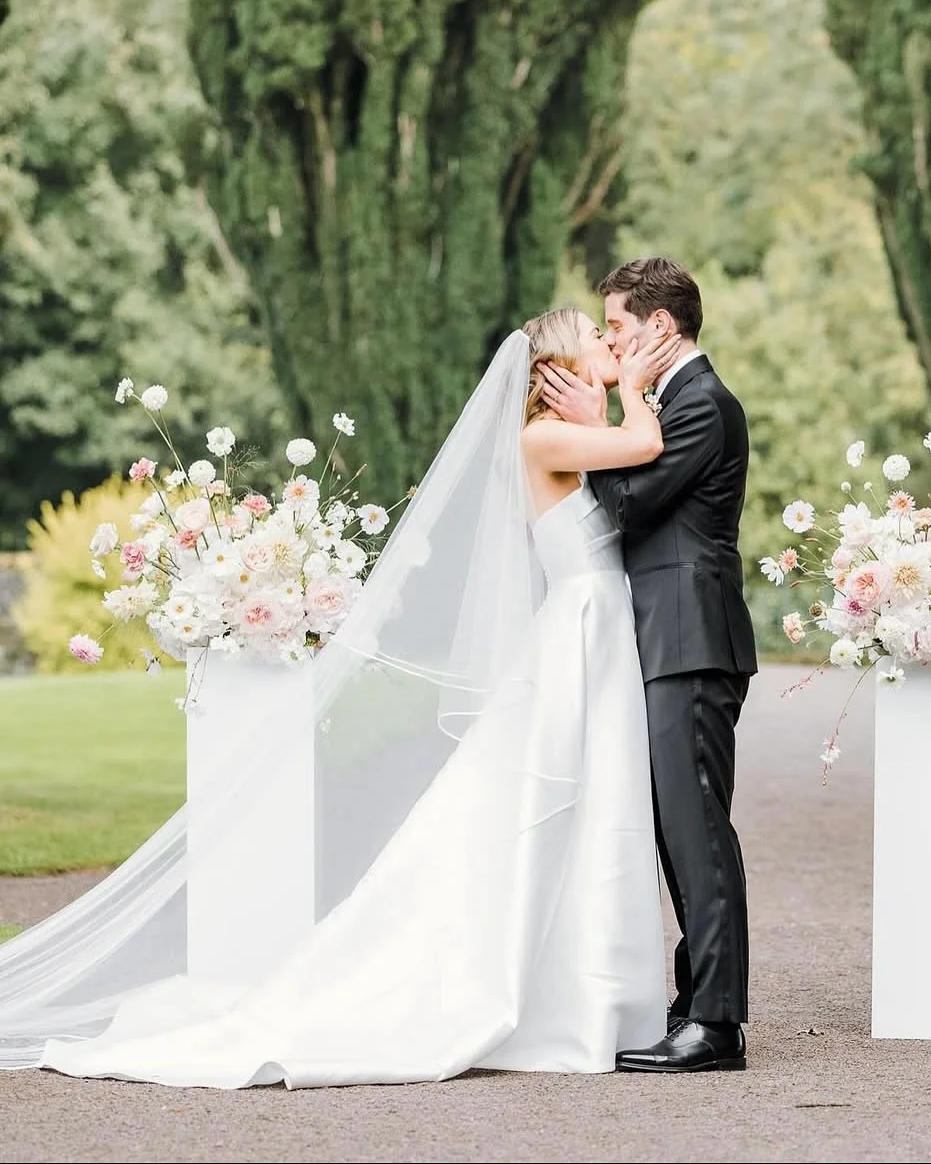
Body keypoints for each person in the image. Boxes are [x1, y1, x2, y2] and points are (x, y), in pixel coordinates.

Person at [0, 310, 683, 1086]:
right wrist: (630, 390)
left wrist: (605, 401)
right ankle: (551, 1000)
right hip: (577, 634)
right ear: (560, 363)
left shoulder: (561, 435)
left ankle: (586, 991)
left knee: (594, 810)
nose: (611, 346)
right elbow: (646, 444)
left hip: (591, 631)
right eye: (597, 341)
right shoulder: (542, 439)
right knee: (546, 807)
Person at [539, 258, 757, 1074]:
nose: (615, 341)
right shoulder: (672, 405)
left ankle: (717, 1023)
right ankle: (694, 1002)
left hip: (690, 637)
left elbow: (626, 507)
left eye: (621, 328)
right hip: (665, 638)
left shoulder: (702, 405)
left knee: (698, 831)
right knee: (680, 832)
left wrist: (598, 420)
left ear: (661, 328)